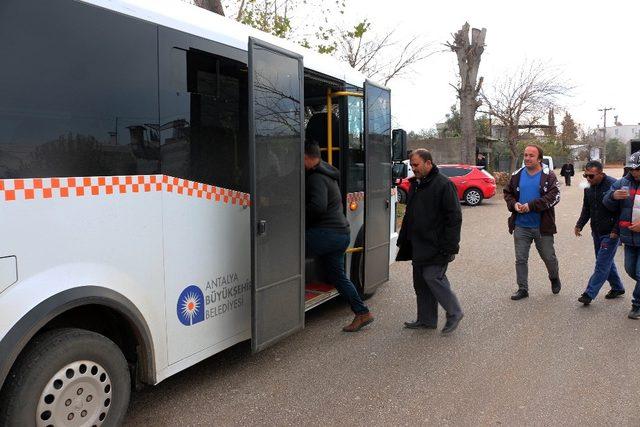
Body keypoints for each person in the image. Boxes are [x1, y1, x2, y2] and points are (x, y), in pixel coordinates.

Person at [304, 141, 374, 332]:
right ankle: (363, 313)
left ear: (305, 157)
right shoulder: (327, 173)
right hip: (340, 234)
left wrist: (298, 217)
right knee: (339, 277)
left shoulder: (315, 178)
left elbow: (317, 207)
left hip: (327, 233)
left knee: (287, 251)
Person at [396, 149, 464, 334]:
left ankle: (454, 312)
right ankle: (426, 320)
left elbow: (454, 218)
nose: (413, 169)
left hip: (437, 246)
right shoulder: (416, 184)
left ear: (428, 163)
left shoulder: (443, 184)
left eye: (416, 165)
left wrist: (450, 247)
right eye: (412, 166)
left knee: (433, 277)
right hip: (418, 245)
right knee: (420, 283)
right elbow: (410, 215)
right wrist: (404, 239)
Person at [504, 144, 562, 300]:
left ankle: (554, 277)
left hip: (542, 226)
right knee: (521, 259)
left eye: (531, 155)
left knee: (549, 257)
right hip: (521, 225)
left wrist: (531, 206)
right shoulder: (516, 175)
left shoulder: (549, 176)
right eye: (526, 155)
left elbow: (554, 197)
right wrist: (514, 205)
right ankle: (522, 288)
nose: (527, 158)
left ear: (539, 159)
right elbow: (508, 193)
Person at [574, 160, 625, 305]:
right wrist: (579, 224)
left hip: (611, 234)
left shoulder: (614, 186)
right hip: (596, 231)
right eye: (586, 175)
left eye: (591, 176)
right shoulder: (588, 187)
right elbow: (587, 208)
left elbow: (623, 211)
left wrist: (616, 230)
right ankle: (617, 287)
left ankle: (589, 294)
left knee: (601, 264)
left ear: (601, 174)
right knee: (605, 261)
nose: (588, 179)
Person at [603, 151, 640, 319]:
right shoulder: (623, 182)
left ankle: (637, 305)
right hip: (629, 238)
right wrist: (612, 196)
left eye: (638, 169)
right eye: (633, 169)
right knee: (630, 269)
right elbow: (606, 202)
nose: (635, 172)